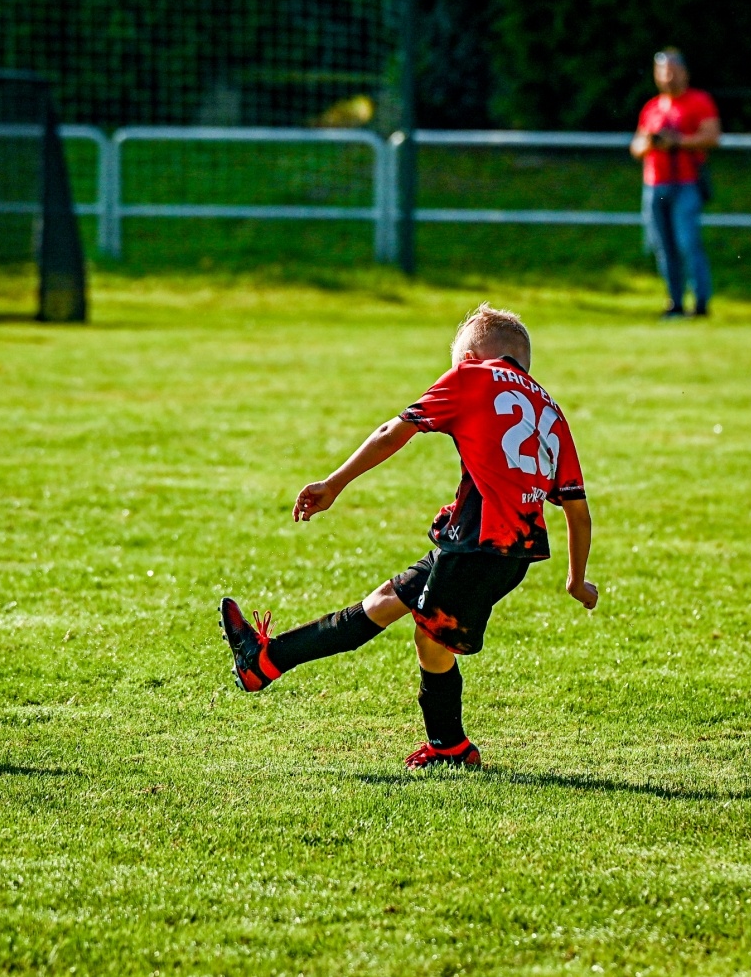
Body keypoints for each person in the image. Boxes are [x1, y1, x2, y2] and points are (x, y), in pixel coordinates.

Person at [218, 303, 599, 769]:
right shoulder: (551, 410)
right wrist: (576, 581)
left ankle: (451, 747)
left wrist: (334, 483)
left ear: (473, 355)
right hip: (499, 548)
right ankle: (263, 663)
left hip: (480, 544)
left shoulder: (472, 377)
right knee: (384, 602)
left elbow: (392, 431)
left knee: (430, 640)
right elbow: (577, 512)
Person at [631, 48, 720, 318]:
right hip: (655, 185)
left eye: (672, 70)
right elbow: (635, 147)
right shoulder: (653, 107)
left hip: (686, 183)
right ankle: (675, 303)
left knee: (687, 243)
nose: (667, 76)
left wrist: (677, 141)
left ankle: (701, 303)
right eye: (662, 71)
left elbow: (712, 137)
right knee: (663, 246)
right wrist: (650, 142)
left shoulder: (699, 101)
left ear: (684, 72)